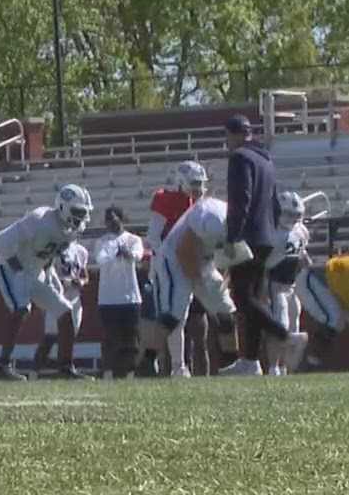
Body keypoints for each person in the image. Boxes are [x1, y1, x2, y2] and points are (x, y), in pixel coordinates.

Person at [0, 185, 93, 380]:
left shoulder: (72, 228)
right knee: (21, 310)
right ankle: (2, 365)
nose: (80, 217)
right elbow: (2, 240)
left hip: (36, 271)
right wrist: (18, 269)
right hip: (12, 268)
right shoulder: (40, 219)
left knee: (65, 310)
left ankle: (66, 367)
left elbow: (50, 250)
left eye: (83, 212)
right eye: (77, 211)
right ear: (63, 207)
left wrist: (48, 271)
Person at [221, 115, 288, 376]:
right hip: (267, 236)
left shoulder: (240, 158)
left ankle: (282, 334)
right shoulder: (266, 159)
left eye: (227, 136)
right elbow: (276, 203)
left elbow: (242, 200)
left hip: (248, 237)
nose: (226, 142)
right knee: (256, 298)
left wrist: (232, 237)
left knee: (243, 297)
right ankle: (250, 360)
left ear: (234, 134)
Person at [154, 189, 240, 378]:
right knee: (176, 314)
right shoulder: (213, 218)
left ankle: (231, 363)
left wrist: (222, 279)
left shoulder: (238, 223)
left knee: (226, 311)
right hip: (174, 258)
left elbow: (231, 256)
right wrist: (198, 282)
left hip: (204, 260)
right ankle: (154, 362)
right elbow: (184, 252)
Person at [137, 161, 205, 375]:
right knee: (171, 315)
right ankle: (171, 365)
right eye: (194, 182)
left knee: (180, 317)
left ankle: (174, 365)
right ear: (181, 181)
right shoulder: (165, 198)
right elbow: (154, 237)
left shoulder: (195, 202)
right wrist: (172, 260)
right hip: (166, 265)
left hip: (185, 264)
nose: (198, 187)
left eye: (200, 183)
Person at [263, 191, 312, 374]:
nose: (294, 219)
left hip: (292, 284)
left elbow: (302, 254)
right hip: (275, 284)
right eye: (291, 215)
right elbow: (262, 263)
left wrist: (311, 269)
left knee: (294, 324)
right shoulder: (271, 232)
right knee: (279, 326)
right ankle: (273, 367)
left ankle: (285, 367)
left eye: (297, 215)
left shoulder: (301, 231)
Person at [92, 207, 144, 378]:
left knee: (131, 336)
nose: (110, 222)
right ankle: (108, 372)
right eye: (107, 219)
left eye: (113, 218)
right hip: (108, 298)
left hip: (130, 297)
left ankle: (129, 372)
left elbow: (138, 256)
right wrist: (116, 253)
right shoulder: (102, 241)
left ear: (121, 219)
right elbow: (101, 259)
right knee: (110, 338)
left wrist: (127, 253)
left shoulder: (133, 239)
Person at [33, 235, 92, 378]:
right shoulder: (55, 248)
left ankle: (66, 368)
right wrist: (66, 283)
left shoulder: (81, 251)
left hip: (74, 298)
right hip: (57, 296)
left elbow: (85, 275)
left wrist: (82, 282)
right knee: (51, 335)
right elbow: (45, 273)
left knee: (70, 335)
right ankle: (33, 370)